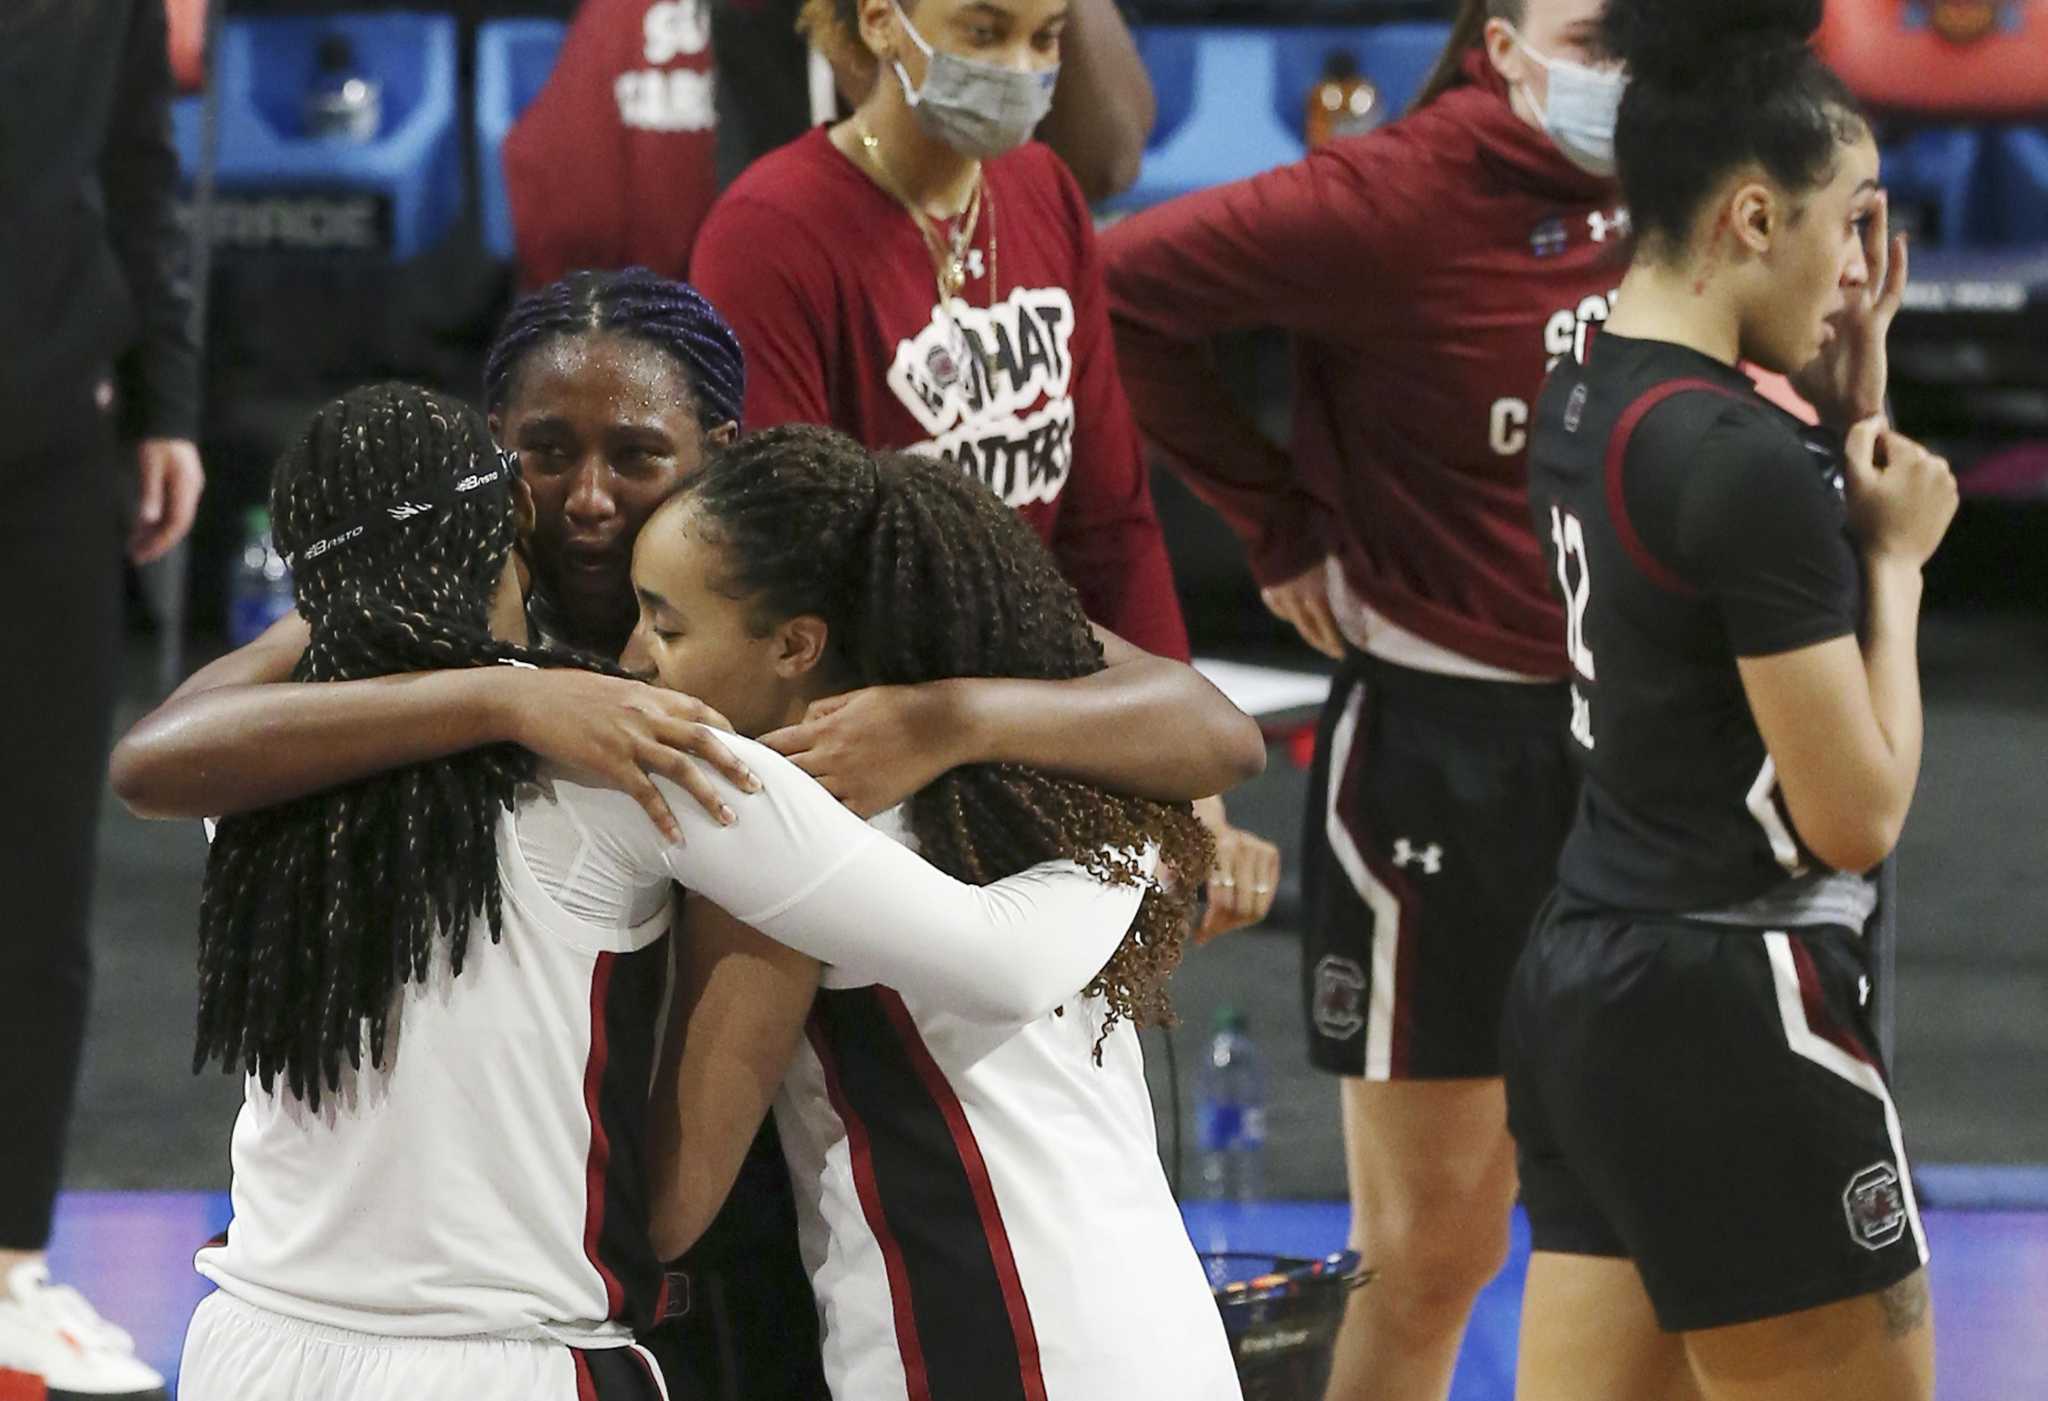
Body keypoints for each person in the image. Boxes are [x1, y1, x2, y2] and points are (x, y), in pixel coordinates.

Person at [115, 269, 1263, 1398]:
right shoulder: (440, 639)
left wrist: (945, 717)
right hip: (570, 1248)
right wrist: (506, 695)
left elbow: (1204, 728)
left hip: (740, 1220)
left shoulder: (819, 591)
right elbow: (157, 758)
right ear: (492, 471)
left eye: (634, 454)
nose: (586, 497)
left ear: (716, 450)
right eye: (545, 453)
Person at [1099, 3, 1622, 1395]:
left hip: (1658, 750)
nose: (1635, 58)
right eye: (1599, 30)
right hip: (1450, 747)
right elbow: (1120, 289)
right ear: (1503, 43)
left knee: (1661, 1227)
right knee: (1435, 1245)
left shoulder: (1699, 165)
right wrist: (1277, 520)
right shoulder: (1394, 196)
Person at [1508, 2, 1949, 1398]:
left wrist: (1839, 410)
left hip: (1589, 974)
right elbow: (1858, 810)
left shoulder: (1581, 384)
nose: (1861, 269)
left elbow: (1704, 583)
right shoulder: (1739, 460)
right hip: (1740, 999)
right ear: (1754, 217)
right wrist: (1897, 566)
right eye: (1851, 222)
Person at [629, 425, 1243, 1400]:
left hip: (987, 1343)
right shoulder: (1057, 778)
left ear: (795, 645)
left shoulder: (775, 827)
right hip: (1163, 1332)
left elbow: (670, 1205)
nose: (634, 661)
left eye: (665, 627)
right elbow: (1212, 730)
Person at [690, 0, 1281, 933]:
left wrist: (1185, 789)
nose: (1018, 67)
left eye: (1044, 38)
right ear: (884, 22)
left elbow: (1110, 518)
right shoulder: (771, 228)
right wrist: (1059, 737)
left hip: (1022, 726)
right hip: (870, 748)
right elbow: (802, 570)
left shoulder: (1043, 191)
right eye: (981, 31)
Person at [0, 2, 204, 1396]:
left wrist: (165, 394)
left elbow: (140, 157)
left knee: (32, 870)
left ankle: (8, 1263)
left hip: (46, 443)